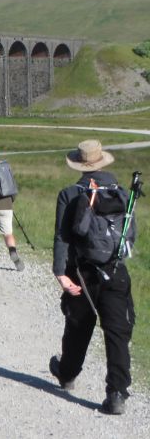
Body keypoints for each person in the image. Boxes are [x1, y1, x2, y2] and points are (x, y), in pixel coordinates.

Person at [50, 140, 135, 415]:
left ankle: (67, 373)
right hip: (116, 270)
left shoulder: (70, 194)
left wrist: (61, 273)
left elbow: (62, 237)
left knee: (78, 327)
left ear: (80, 164)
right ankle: (117, 393)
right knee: (117, 332)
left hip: (82, 272)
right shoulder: (122, 194)